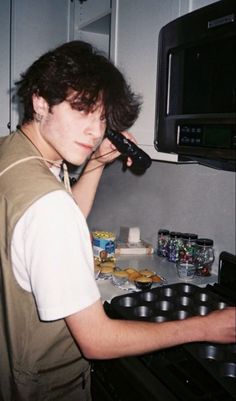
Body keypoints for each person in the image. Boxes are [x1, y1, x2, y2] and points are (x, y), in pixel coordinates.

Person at [0, 41, 235, 401]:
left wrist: (93, 165)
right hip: (47, 387)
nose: (95, 132)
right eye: (82, 111)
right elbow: (97, 340)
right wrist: (203, 327)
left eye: (102, 117)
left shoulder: (14, 154)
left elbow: (48, 233)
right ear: (40, 101)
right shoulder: (49, 207)